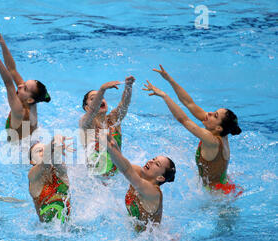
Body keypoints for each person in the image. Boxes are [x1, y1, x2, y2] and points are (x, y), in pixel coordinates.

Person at [144, 65, 242, 193]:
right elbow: (189, 103)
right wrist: (169, 79)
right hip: (225, 185)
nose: (210, 113)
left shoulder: (211, 140)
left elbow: (183, 120)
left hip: (216, 196)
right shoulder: (222, 131)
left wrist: (164, 96)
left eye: (215, 115)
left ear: (218, 127)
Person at [0, 23, 50, 142]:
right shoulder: (31, 99)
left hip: (18, 147)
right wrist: (3, 44)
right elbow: (12, 70)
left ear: (30, 99)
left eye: (24, 88)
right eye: (24, 83)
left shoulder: (19, 110)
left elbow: (8, 83)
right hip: (30, 137)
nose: (20, 85)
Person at [105, 131, 176, 231]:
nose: (151, 161)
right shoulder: (139, 172)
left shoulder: (153, 192)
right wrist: (112, 143)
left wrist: (110, 148)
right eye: (153, 159)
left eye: (157, 164)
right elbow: (121, 164)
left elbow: (126, 170)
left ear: (160, 178)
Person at [79, 76, 134, 176]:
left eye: (101, 97)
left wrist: (128, 86)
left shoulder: (113, 119)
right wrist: (102, 89)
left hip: (117, 174)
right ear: (87, 108)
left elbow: (124, 104)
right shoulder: (86, 124)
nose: (100, 100)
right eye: (93, 99)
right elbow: (93, 110)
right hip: (96, 178)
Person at [28, 135, 73, 223]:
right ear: (32, 161)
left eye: (46, 149)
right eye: (40, 151)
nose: (44, 152)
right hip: (46, 234)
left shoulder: (61, 172)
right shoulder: (33, 176)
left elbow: (54, 161)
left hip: (69, 231)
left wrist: (56, 148)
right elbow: (44, 163)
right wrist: (54, 140)